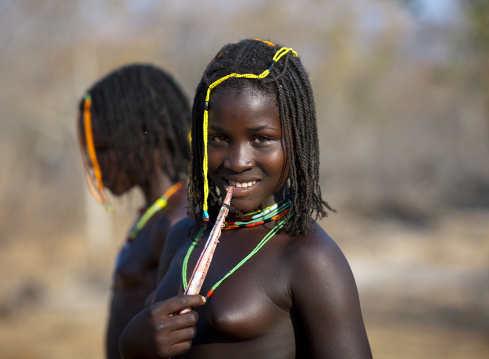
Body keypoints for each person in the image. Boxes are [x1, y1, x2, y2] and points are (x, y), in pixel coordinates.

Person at [119, 39, 372, 358]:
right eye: (219, 138)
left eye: (262, 139)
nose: (237, 161)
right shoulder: (182, 238)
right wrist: (133, 348)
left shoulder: (309, 258)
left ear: (296, 142)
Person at [76, 64, 191, 359]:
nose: (92, 163)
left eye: (101, 147)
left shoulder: (176, 221)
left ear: (148, 135)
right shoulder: (155, 213)